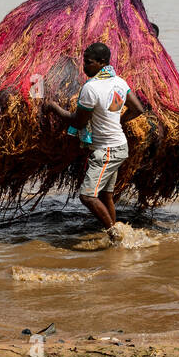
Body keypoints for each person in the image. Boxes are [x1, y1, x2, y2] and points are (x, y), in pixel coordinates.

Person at [47, 42, 148, 229]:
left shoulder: (91, 88)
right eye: (84, 61)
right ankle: (113, 231)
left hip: (106, 150)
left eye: (88, 62)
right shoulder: (119, 82)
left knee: (87, 196)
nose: (84, 66)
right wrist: (117, 122)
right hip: (119, 146)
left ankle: (115, 233)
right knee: (105, 195)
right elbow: (137, 109)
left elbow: (78, 122)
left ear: (102, 62)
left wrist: (54, 108)